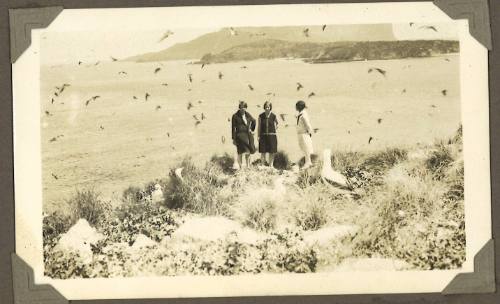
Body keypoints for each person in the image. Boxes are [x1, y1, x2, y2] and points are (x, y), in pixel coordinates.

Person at [231, 101, 256, 168]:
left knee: (249, 150)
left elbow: (254, 121)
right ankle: (241, 166)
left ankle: (248, 165)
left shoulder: (247, 114)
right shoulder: (235, 116)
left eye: (244, 107)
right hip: (239, 135)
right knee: (240, 151)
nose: (243, 109)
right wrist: (233, 138)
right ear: (239, 107)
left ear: (246, 108)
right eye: (241, 107)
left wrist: (252, 129)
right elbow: (233, 127)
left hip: (248, 134)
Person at [257, 101, 278, 167]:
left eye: (268, 107)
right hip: (263, 135)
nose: (267, 108)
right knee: (263, 151)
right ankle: (263, 165)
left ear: (270, 108)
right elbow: (259, 126)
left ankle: (271, 165)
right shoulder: (261, 116)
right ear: (264, 107)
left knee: (271, 151)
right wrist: (258, 135)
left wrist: (275, 130)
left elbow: (277, 124)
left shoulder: (274, 116)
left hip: (272, 136)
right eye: (266, 107)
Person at [295, 100, 314, 169]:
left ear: (300, 107)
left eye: (296, 106)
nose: (295, 107)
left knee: (306, 148)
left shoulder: (303, 115)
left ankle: (308, 162)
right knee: (304, 148)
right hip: (301, 134)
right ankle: (308, 162)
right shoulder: (300, 114)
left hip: (304, 134)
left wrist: (309, 132)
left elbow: (307, 124)